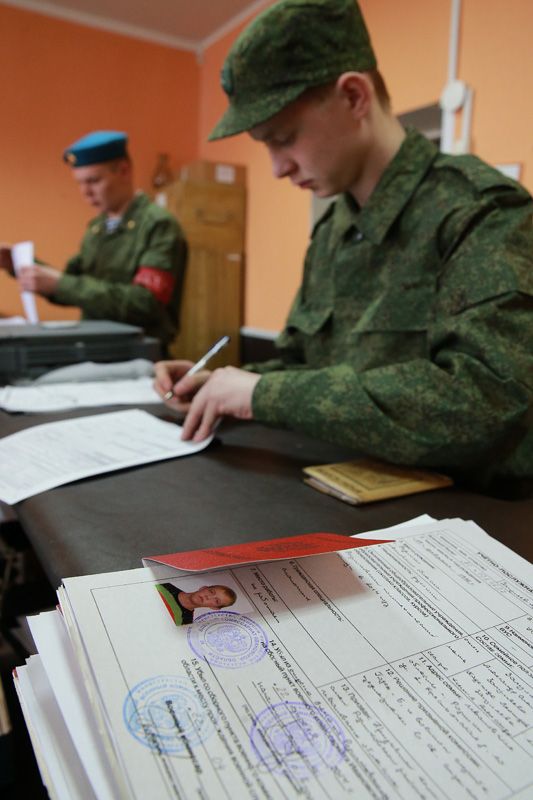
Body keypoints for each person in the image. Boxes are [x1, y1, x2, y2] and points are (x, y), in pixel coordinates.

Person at [154, 0, 533, 494]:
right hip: (336, 489)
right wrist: (224, 382)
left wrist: (263, 394)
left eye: (284, 138)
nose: (277, 168)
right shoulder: (332, 231)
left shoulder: (482, 212)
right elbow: (302, 365)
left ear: (354, 96)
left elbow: (485, 402)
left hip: (463, 517)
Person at [0, 130, 187, 350]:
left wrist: (61, 284)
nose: (85, 192)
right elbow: (69, 284)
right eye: (79, 183)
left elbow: (145, 303)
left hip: (137, 351)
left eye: (93, 181)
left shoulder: (158, 225)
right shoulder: (97, 229)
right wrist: (19, 265)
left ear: (124, 171)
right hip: (93, 347)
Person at [155, 582, 237, 626]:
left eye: (216, 601)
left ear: (214, 608)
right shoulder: (164, 585)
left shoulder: (184, 623)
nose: (208, 597)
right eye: (211, 592)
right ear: (203, 588)